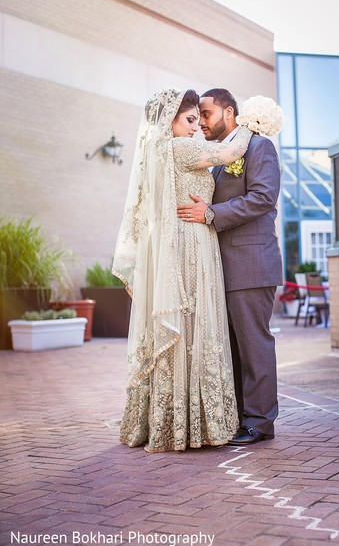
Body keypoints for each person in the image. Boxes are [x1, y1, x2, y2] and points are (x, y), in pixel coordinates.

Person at [112, 88, 252, 453]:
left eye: (197, 119)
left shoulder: (156, 152)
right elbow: (231, 152)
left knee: (187, 328)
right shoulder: (179, 148)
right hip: (192, 243)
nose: (195, 127)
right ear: (169, 120)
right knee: (197, 325)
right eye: (190, 119)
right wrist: (254, 121)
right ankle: (195, 423)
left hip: (174, 245)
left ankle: (166, 421)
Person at [177, 88, 283, 446]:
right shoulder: (222, 156)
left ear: (229, 112)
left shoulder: (258, 146)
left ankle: (260, 423)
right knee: (233, 347)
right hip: (223, 268)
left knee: (254, 345)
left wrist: (211, 213)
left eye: (206, 114)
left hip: (251, 264)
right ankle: (239, 416)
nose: (202, 122)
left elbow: (263, 197)